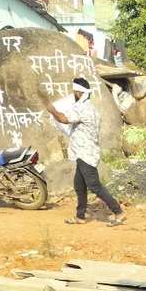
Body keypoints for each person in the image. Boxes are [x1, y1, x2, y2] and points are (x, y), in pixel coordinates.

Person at [44, 76, 125, 226]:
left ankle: (118, 211)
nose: (73, 94)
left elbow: (63, 119)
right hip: (83, 152)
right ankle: (80, 216)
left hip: (86, 153)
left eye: (74, 92)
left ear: (78, 93)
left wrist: (52, 110)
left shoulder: (84, 109)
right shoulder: (90, 108)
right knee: (79, 186)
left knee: (94, 186)